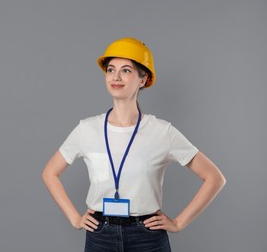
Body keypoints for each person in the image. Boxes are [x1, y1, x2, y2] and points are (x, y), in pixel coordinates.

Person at [42, 37, 226, 252]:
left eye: (126, 70)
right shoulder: (87, 129)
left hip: (147, 236)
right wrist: (74, 218)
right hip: (100, 234)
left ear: (143, 79)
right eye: (111, 70)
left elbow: (215, 178)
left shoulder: (162, 131)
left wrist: (179, 222)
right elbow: (49, 173)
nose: (116, 77)